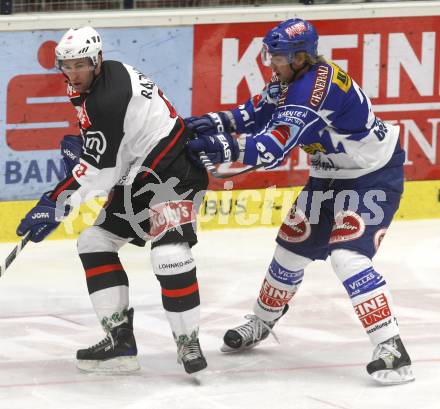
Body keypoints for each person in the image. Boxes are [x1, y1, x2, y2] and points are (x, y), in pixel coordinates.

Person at [185, 18, 414, 385]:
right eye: (271, 55)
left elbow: (272, 148)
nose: (270, 63)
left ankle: (391, 346)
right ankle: (262, 321)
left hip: (371, 175)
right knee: (290, 251)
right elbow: (254, 113)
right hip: (329, 174)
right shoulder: (288, 78)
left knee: (347, 257)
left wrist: (219, 145)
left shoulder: (313, 90)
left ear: (301, 57)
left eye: (278, 57)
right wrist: (204, 124)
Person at [16, 26, 209, 375]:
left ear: (97, 60)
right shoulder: (99, 79)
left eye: (81, 65)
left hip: (173, 170)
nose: (73, 74)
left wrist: (55, 201)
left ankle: (188, 341)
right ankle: (119, 340)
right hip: (138, 172)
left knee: (169, 254)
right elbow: (111, 154)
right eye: (67, 66)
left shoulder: (106, 97)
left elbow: (101, 172)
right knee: (93, 241)